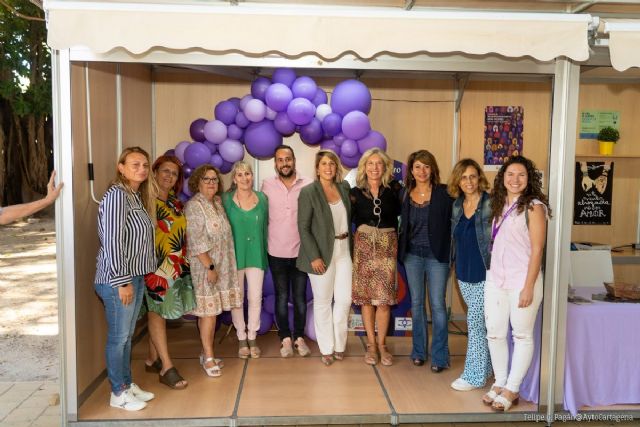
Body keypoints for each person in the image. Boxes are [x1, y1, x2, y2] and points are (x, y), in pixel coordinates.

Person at [483, 155, 550, 412]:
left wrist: (529, 286)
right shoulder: (498, 203)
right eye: (510, 174)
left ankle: (513, 388)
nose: (515, 179)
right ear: (503, 177)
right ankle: (500, 381)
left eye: (521, 174)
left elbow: (537, 249)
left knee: (521, 335)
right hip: (496, 279)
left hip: (522, 280)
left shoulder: (534, 206)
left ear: (529, 178)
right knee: (495, 332)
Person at [94, 147, 156, 411]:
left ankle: (127, 385)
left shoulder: (134, 195)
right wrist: (122, 281)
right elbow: (112, 241)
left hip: (135, 276)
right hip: (117, 279)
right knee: (118, 338)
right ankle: (117, 393)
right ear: (120, 167)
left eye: (144, 165)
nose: (141, 169)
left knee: (127, 337)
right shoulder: (117, 196)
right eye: (134, 164)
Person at [142, 155, 195, 389]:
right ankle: (166, 366)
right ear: (154, 172)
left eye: (174, 173)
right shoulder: (146, 201)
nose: (169, 176)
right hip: (154, 267)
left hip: (175, 265)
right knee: (156, 313)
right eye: (165, 171)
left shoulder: (175, 202)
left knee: (159, 313)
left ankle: (152, 358)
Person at [398, 150, 453, 372]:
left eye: (427, 166)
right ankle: (419, 351)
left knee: (438, 305)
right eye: (418, 166)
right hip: (412, 256)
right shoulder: (404, 194)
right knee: (417, 304)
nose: (422, 171)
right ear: (411, 170)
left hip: (436, 256)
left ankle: (440, 356)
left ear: (433, 169)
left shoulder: (445, 193)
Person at [185, 165, 242, 378]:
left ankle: (205, 352)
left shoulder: (217, 202)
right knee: (208, 314)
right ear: (197, 182)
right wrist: (210, 266)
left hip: (222, 266)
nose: (211, 183)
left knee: (213, 312)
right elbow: (196, 240)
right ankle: (208, 357)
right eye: (206, 179)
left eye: (214, 180)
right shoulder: (194, 206)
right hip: (205, 267)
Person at [297, 150, 352, 366]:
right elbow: (303, 227)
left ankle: (340, 344)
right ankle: (327, 348)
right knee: (322, 302)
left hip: (344, 250)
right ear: (317, 168)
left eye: (332, 164)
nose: (328, 167)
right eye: (324, 164)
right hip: (320, 253)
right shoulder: (309, 192)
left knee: (345, 300)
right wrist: (314, 256)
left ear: (336, 168)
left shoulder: (344, 189)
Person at [350, 148, 401, 367]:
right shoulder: (354, 192)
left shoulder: (395, 190)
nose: (374, 168)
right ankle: (370, 344)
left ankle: (382, 345)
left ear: (385, 167)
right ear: (364, 167)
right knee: (367, 299)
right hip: (363, 246)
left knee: (384, 300)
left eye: (378, 164)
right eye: (370, 164)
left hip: (387, 246)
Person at [261, 145, 313, 358]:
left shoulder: (309, 184)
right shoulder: (266, 186)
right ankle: (285, 339)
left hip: (301, 252)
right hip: (276, 251)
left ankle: (299, 337)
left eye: (288, 159)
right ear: (275, 163)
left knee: (299, 297)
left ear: (294, 161)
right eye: (280, 160)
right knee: (282, 297)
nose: (285, 163)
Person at [447, 159, 493, 391]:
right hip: (463, 273)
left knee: (475, 322)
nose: (469, 181)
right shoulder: (456, 205)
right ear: (458, 180)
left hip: (487, 273)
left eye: (473, 176)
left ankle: (474, 376)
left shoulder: (491, 204)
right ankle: (487, 369)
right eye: (464, 177)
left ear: (480, 178)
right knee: (482, 323)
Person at [222, 161, 269, 359]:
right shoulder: (225, 199)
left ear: (252, 176)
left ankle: (252, 335)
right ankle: (241, 336)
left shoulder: (262, 198)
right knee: (237, 299)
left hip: (257, 255)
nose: (244, 178)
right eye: (240, 175)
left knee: (255, 297)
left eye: (247, 174)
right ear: (234, 179)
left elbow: (266, 225)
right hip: (234, 257)